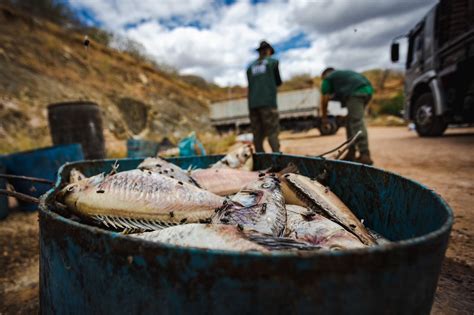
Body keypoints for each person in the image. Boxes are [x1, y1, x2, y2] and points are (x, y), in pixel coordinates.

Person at [320, 67, 374, 165]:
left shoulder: (328, 78)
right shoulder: (342, 75)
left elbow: (324, 99)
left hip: (357, 93)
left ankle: (365, 154)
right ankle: (351, 153)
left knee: (356, 121)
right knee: (349, 122)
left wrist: (324, 118)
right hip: (367, 91)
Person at [246, 40, 282, 152]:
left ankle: (260, 162)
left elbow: (251, 84)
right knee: (272, 132)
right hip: (268, 103)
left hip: (253, 104)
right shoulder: (273, 62)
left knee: (257, 134)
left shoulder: (250, 67)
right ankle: (277, 159)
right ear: (268, 51)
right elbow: (278, 82)